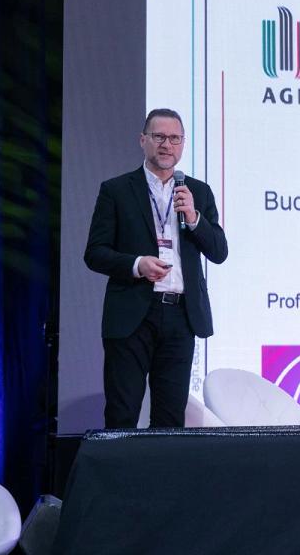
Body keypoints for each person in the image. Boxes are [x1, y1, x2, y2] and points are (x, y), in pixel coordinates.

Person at [84, 108, 227, 428]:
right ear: (143, 140)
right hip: (133, 314)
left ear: (183, 144)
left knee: (170, 418)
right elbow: (95, 253)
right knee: (122, 414)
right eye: (159, 137)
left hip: (181, 316)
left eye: (175, 138)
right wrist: (137, 264)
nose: (167, 145)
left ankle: (163, 464)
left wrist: (194, 218)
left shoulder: (198, 192)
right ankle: (120, 465)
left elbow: (219, 252)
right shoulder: (116, 190)